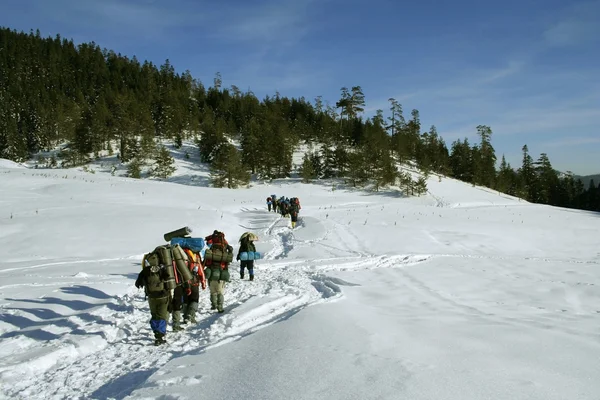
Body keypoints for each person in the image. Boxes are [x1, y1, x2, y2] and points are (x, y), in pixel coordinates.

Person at [136, 251, 172, 345]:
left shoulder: (145, 271)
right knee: (162, 316)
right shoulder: (161, 269)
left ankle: (156, 333)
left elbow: (138, 283)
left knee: (155, 315)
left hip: (151, 297)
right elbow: (168, 281)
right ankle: (159, 336)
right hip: (163, 296)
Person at [204, 230, 233, 313]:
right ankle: (220, 307)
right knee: (220, 291)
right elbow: (227, 261)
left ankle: (213, 305)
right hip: (221, 272)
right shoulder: (224, 249)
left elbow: (206, 262)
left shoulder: (211, 250)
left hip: (211, 272)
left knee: (213, 291)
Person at [181, 247, 206, 324]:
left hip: (183, 282)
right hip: (194, 282)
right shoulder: (195, 256)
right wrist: (203, 283)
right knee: (194, 299)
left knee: (185, 299)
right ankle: (190, 315)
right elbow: (200, 270)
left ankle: (185, 317)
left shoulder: (180, 255)